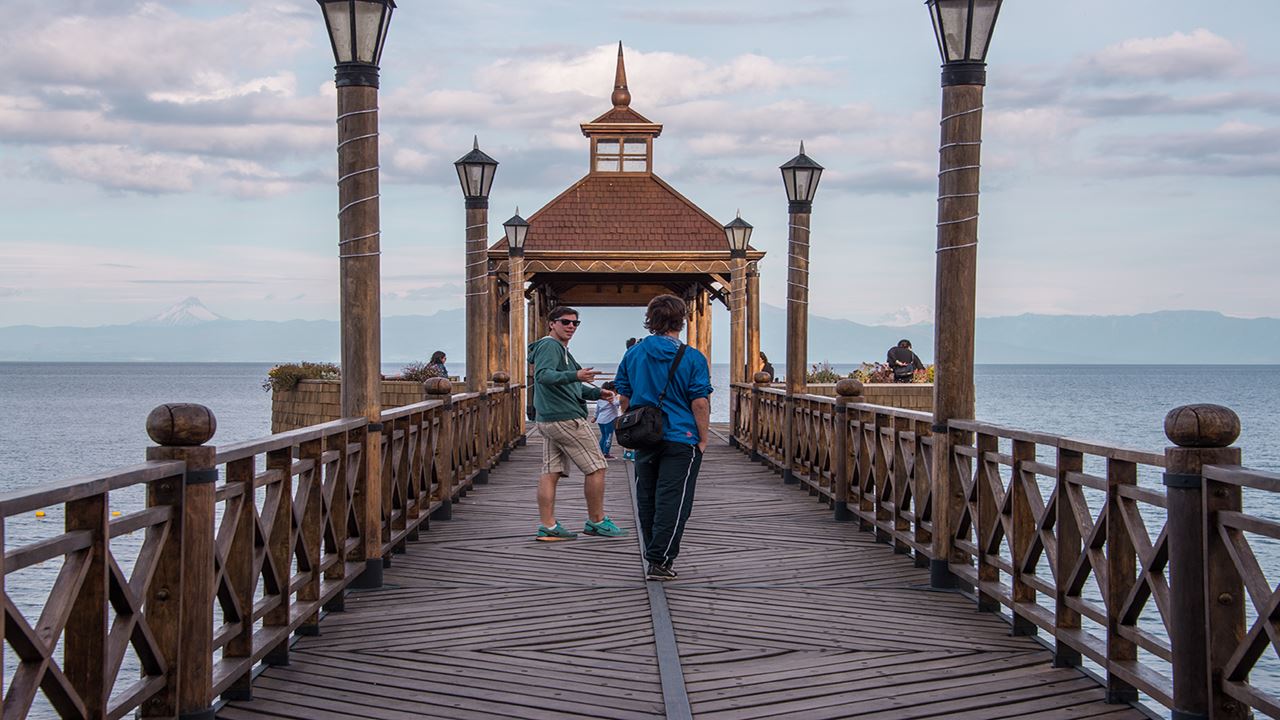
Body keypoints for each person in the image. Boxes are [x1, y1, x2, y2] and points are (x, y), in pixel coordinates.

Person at [615, 294, 712, 581]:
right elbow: (700, 403)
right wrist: (703, 439)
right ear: (681, 320)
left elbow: (624, 397)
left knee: (646, 496)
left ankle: (653, 553)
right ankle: (660, 560)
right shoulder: (692, 357)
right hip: (681, 436)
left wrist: (632, 428)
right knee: (674, 498)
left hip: (644, 436)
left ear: (651, 320)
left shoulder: (634, 353)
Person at [528, 306, 628, 541]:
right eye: (565, 322)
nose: (571, 326)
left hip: (549, 418)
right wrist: (576, 375)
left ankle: (549, 527)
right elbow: (543, 376)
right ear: (552, 323)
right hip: (565, 419)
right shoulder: (550, 346)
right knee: (597, 467)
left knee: (551, 471)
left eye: (575, 323)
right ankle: (596, 521)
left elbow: (565, 384)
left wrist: (597, 393)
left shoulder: (558, 348)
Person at [595, 381, 621, 459]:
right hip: (609, 420)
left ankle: (600, 452)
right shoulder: (612, 398)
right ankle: (606, 453)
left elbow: (597, 409)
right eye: (616, 391)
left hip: (600, 420)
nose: (617, 393)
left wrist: (595, 417)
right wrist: (614, 400)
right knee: (609, 436)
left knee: (603, 436)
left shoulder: (600, 399)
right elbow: (618, 404)